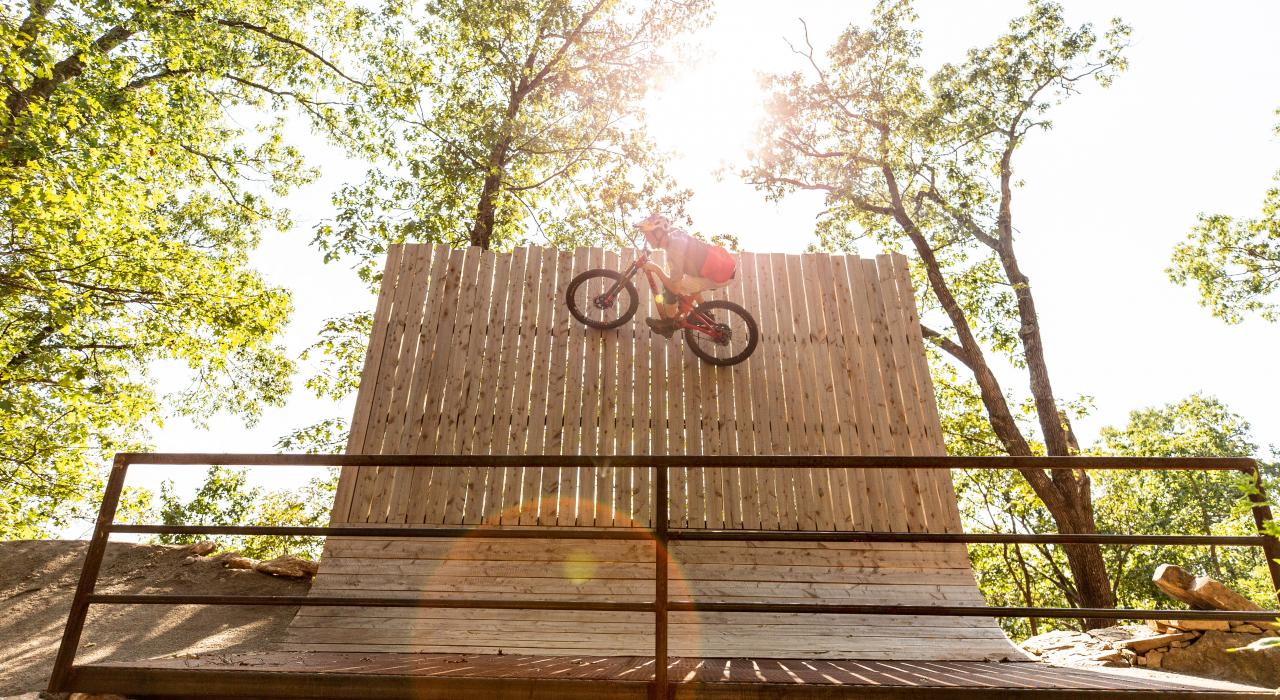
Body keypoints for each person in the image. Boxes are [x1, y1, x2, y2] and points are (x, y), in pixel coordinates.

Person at [635, 213, 737, 338]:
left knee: (670, 287)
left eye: (648, 235)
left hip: (719, 276)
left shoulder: (673, 251)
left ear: (659, 233)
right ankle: (705, 313)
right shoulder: (675, 234)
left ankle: (669, 324)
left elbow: (675, 288)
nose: (647, 239)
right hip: (724, 269)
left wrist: (656, 269)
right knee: (687, 282)